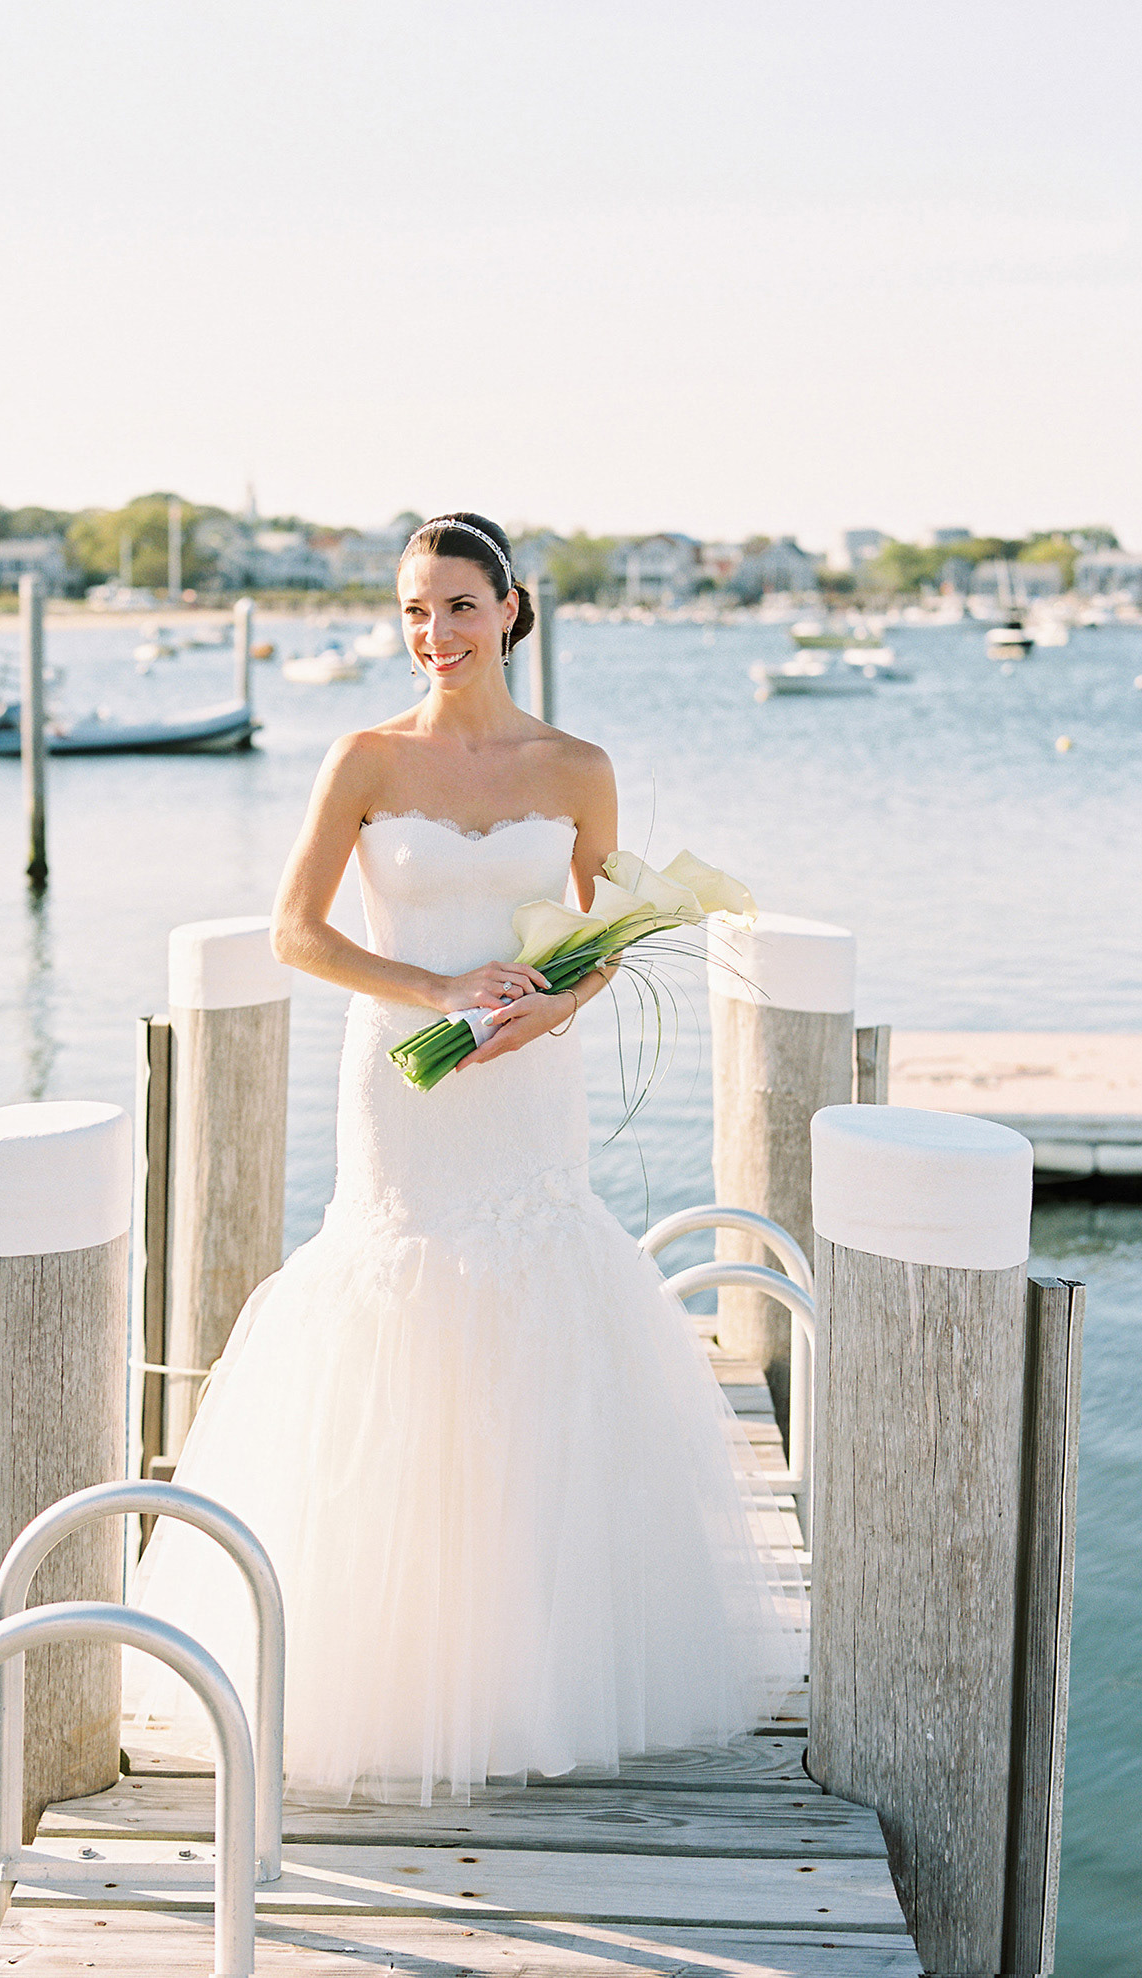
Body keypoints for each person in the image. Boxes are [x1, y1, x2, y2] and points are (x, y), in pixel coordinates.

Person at [126, 513, 802, 1804]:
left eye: (454, 606)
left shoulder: (577, 766)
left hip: (530, 1083)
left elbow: (610, 931)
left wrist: (559, 1004)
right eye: (410, 612)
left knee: (537, 1326)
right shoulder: (364, 757)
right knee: (399, 1320)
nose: (431, 635)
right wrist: (434, 985)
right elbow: (294, 932)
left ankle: (527, 1660)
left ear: (509, 608)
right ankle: (383, 1663)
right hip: (405, 1079)